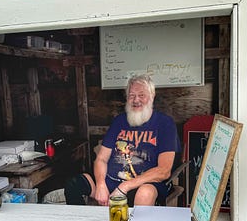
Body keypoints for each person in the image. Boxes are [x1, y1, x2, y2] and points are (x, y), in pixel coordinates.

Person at [65, 74, 181, 206]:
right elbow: (101, 159)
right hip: (112, 182)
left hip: (143, 184)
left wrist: (125, 187)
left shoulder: (165, 123)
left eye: (141, 95)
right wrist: (101, 184)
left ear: (152, 96)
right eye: (132, 95)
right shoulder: (119, 121)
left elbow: (163, 170)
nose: (136, 100)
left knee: (144, 193)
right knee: (74, 184)